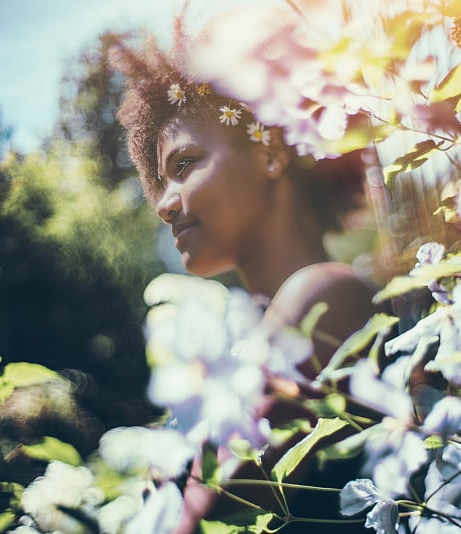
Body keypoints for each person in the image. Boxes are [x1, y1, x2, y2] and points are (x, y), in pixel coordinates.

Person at [111, 23, 382, 534]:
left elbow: (199, 518)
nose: (165, 205)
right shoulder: (242, 335)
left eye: (185, 164)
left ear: (270, 152)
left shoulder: (328, 295)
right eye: (160, 182)